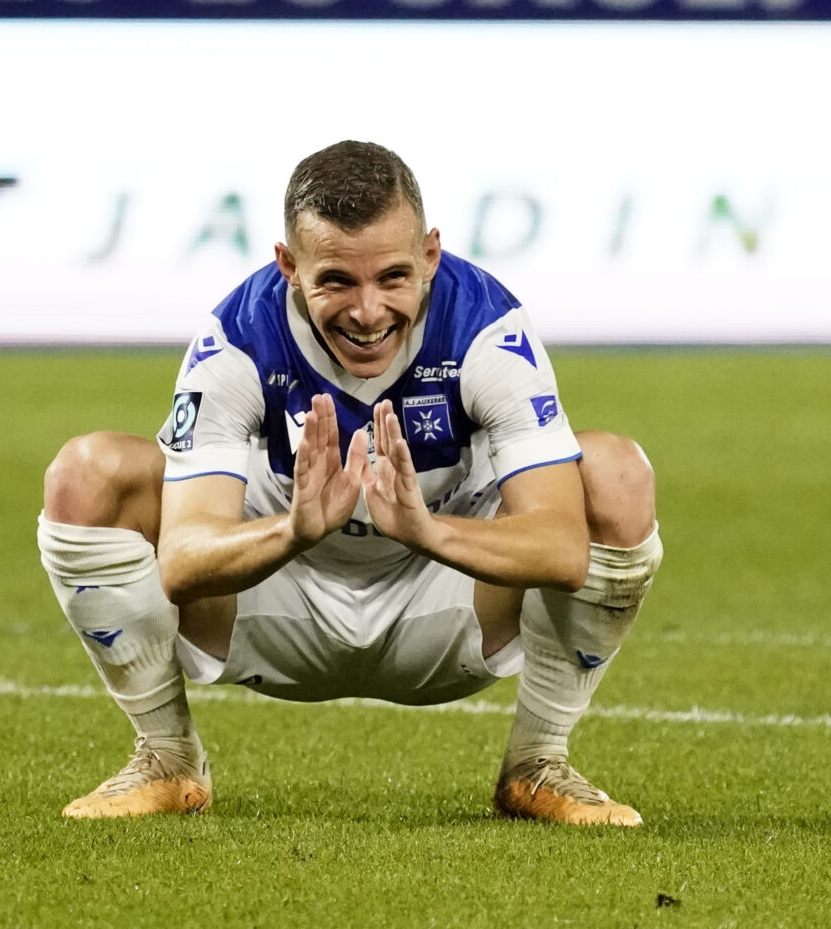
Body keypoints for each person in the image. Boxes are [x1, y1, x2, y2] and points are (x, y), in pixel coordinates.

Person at [36, 141, 663, 826]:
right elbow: (183, 562)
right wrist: (294, 529)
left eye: (394, 277)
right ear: (288, 266)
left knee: (615, 472)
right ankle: (166, 758)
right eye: (336, 281)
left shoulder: (487, 326)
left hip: (447, 605)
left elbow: (564, 550)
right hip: (276, 602)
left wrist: (426, 530)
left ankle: (538, 763)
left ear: (430, 255)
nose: (368, 313)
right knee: (87, 473)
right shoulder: (238, 336)